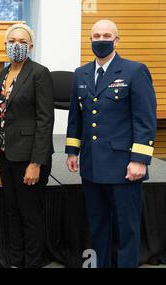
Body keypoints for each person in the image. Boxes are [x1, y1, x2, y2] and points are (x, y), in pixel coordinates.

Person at [65, 20, 157, 268]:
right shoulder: (80, 74)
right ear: (90, 39)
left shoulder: (134, 71)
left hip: (123, 167)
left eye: (106, 35)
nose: (101, 39)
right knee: (98, 227)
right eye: (96, 35)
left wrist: (139, 160)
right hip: (92, 166)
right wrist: (72, 151)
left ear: (117, 40)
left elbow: (145, 119)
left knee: (126, 230)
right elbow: (77, 117)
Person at [0, 23, 54, 268]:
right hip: (7, 156)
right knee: (12, 212)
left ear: (31, 46)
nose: (16, 45)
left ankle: (33, 262)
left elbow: (45, 120)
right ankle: (16, 261)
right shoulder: (2, 75)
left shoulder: (39, 72)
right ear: (6, 45)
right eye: (12, 41)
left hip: (29, 158)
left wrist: (36, 162)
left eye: (22, 41)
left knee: (31, 216)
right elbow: (0, 116)